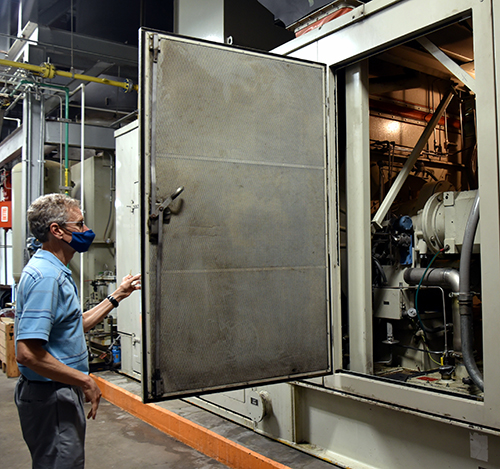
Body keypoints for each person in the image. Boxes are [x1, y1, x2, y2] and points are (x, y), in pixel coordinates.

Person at [14, 193, 141, 468]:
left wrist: (117, 295)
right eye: (80, 225)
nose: (87, 231)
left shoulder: (56, 269)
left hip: (57, 389)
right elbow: (27, 353)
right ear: (56, 231)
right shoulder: (46, 276)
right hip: (52, 393)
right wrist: (84, 380)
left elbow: (73, 323)